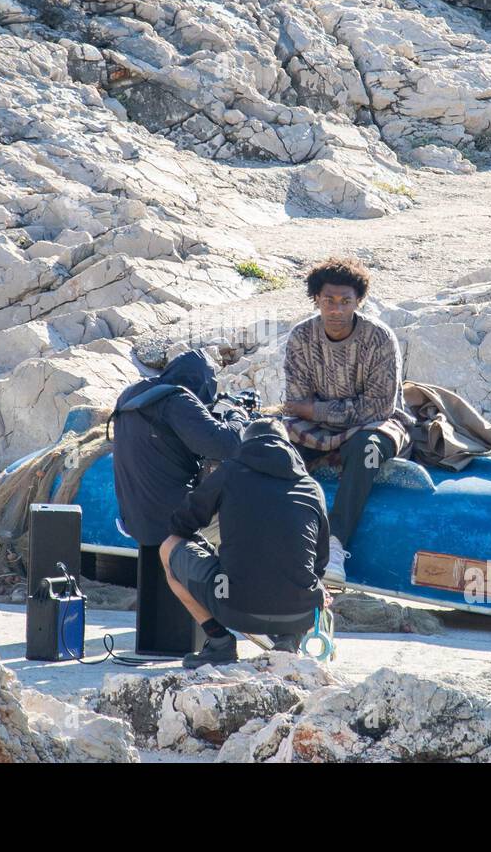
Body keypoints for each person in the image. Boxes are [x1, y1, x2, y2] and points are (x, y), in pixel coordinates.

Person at [281, 256, 414, 586]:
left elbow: (379, 406)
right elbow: (297, 404)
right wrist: (316, 415)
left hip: (376, 424)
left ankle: (335, 544)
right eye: (329, 300)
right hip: (317, 427)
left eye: (346, 301)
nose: (337, 309)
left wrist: (320, 412)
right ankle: (278, 541)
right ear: (316, 299)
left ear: (359, 302)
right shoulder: (301, 337)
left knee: (367, 449)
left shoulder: (379, 338)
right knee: (273, 444)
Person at [161, 418, 331, 668]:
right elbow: (321, 561)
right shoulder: (311, 486)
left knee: (168, 547)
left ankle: (220, 643)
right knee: (311, 582)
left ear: (246, 444)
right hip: (301, 612)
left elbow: (181, 524)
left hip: (234, 608)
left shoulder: (229, 472)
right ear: (288, 447)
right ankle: (289, 639)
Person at [109, 348, 245, 548]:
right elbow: (227, 445)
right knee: (253, 517)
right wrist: (236, 414)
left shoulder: (129, 395)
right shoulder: (177, 400)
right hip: (173, 523)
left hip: (137, 522)